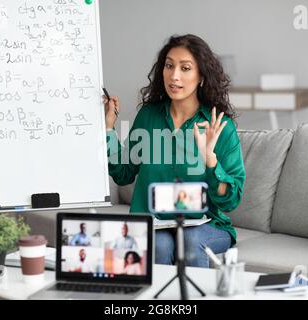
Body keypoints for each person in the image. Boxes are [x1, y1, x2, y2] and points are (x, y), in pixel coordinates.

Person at [104, 34, 245, 268]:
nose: (174, 75)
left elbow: (231, 199)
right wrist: (109, 128)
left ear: (201, 76)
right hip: (154, 222)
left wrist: (210, 158)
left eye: (185, 68)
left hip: (205, 226)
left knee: (189, 238)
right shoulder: (149, 116)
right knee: (158, 244)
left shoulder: (219, 127)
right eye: (169, 66)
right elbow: (124, 173)